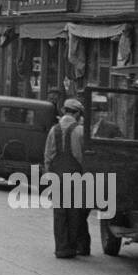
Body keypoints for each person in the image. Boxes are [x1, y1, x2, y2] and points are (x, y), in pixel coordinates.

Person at [43, 98, 90, 259]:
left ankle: (61, 248)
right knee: (75, 213)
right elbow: (82, 157)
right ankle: (73, 247)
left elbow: (48, 156)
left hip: (57, 176)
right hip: (75, 176)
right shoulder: (80, 131)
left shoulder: (53, 130)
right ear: (77, 113)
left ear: (64, 111)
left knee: (60, 213)